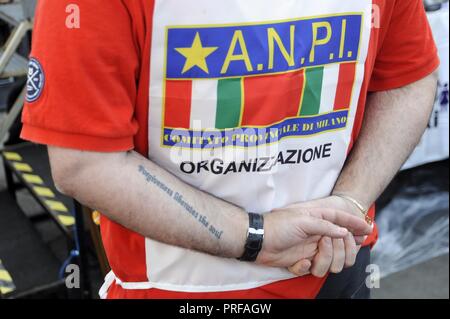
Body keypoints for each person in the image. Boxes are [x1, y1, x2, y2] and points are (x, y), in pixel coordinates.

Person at [21, 0, 439, 299]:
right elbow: (85, 161)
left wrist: (348, 201)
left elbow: (408, 76)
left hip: (334, 268)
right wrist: (258, 236)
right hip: (183, 287)